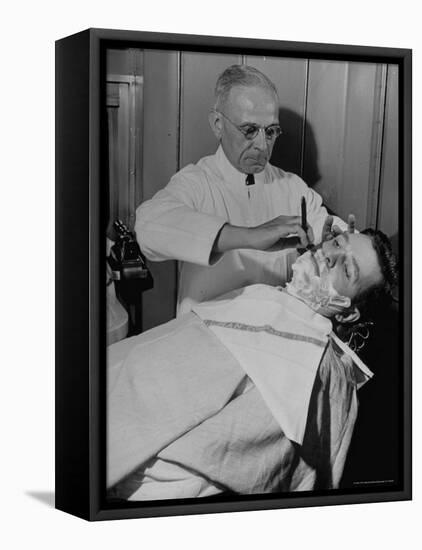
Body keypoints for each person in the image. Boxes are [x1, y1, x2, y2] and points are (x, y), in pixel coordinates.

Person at [107, 228, 397, 501]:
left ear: (347, 315)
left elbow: (223, 457)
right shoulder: (263, 294)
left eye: (348, 270)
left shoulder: (318, 371)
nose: (330, 256)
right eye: (336, 243)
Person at [135, 64, 348, 315]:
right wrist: (250, 235)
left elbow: (332, 232)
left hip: (273, 336)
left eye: (270, 132)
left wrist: (338, 242)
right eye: (249, 130)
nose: (262, 145)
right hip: (205, 338)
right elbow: (147, 227)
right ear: (217, 124)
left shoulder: (292, 187)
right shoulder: (197, 182)